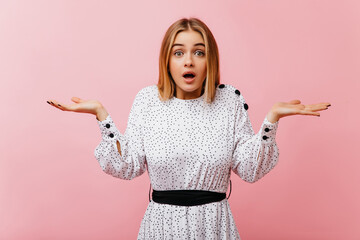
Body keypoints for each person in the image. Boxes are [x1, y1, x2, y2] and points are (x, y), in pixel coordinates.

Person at [47, 17, 331, 240]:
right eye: (178, 52)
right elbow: (127, 165)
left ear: (211, 60)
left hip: (214, 226)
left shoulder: (229, 100)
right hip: (161, 227)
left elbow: (249, 169)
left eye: (199, 52)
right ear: (167, 61)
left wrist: (271, 122)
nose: (188, 61)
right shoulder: (148, 100)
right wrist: (102, 116)